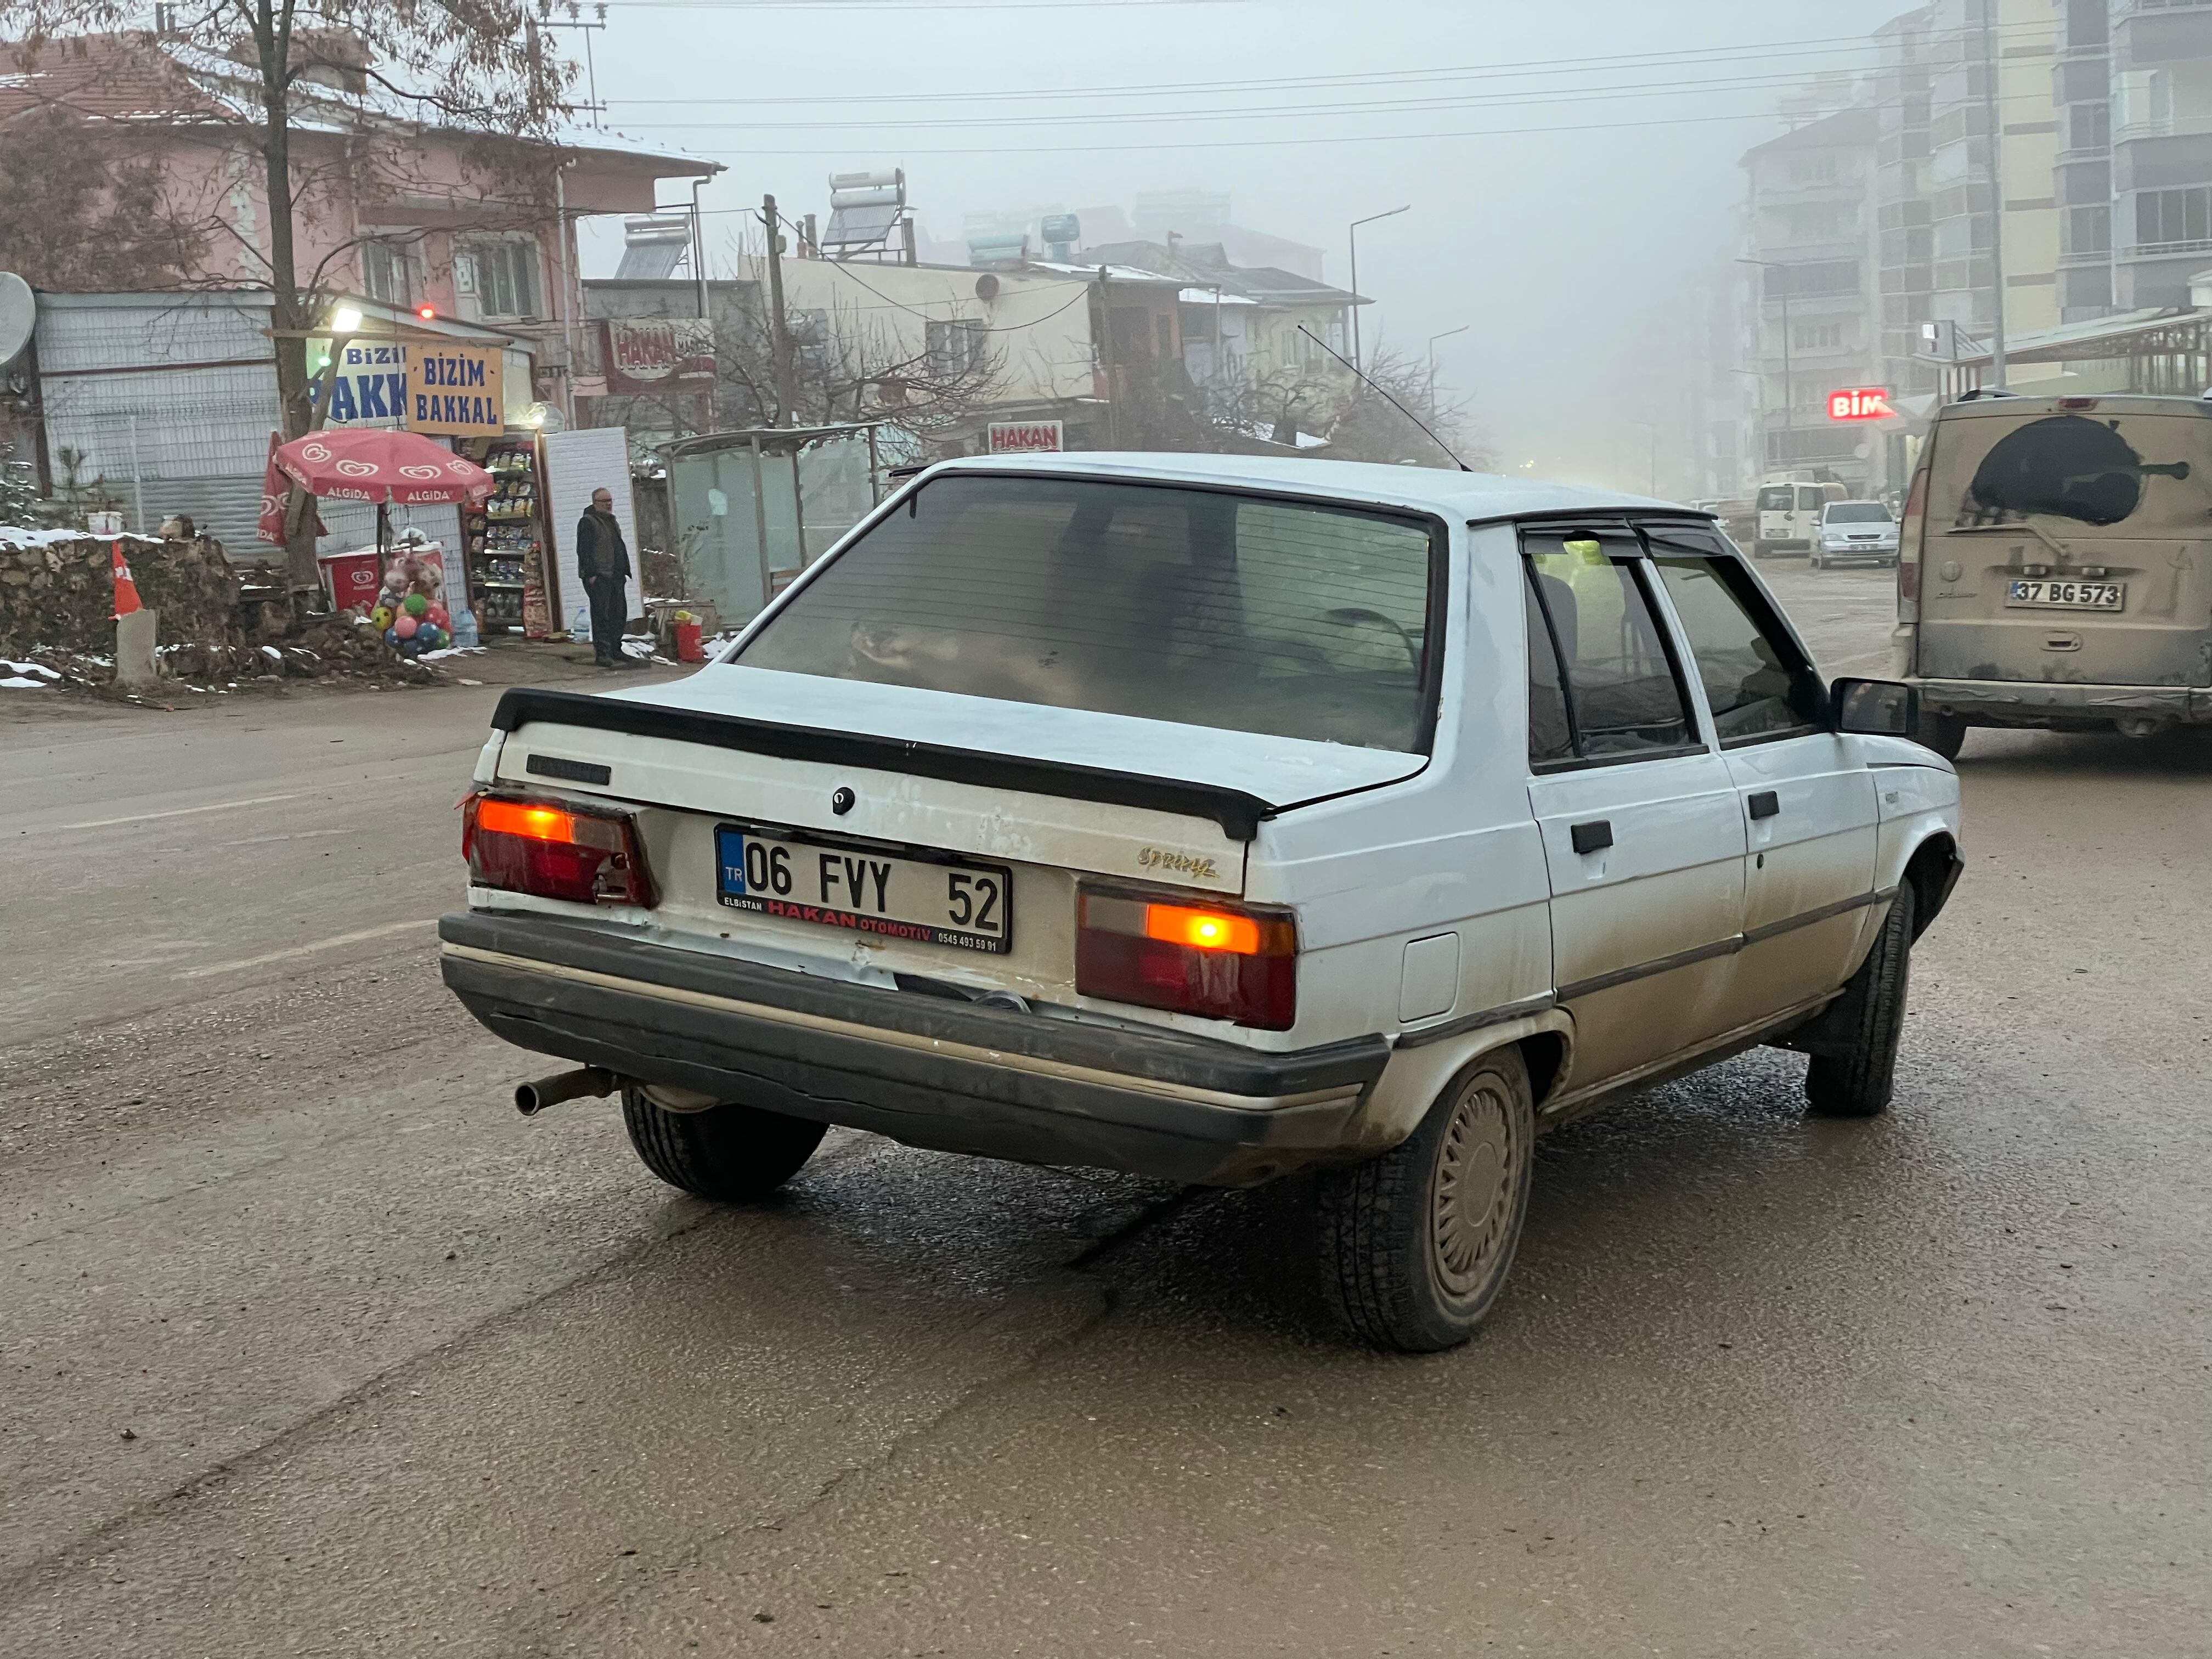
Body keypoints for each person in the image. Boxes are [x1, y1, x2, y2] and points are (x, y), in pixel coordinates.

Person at [576, 487, 634, 668]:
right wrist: (591, 575)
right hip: (600, 576)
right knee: (602, 616)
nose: (609, 504)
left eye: (610, 500)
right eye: (604, 501)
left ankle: (615, 649)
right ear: (595, 503)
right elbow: (584, 551)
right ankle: (603, 654)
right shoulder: (588, 522)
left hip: (616, 575)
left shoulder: (611, 520)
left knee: (619, 614)